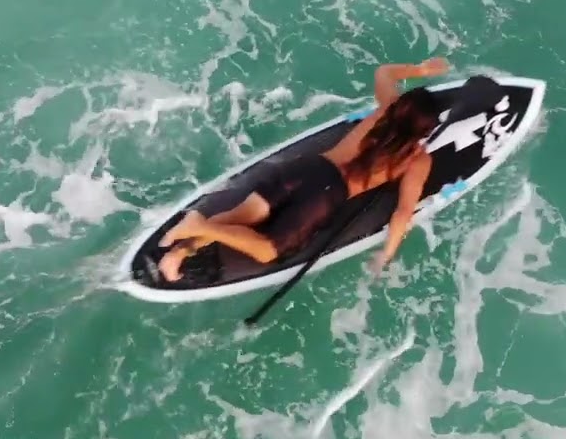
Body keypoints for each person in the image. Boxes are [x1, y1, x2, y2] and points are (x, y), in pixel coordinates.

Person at [157, 56, 450, 282]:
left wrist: (423, 70)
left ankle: (179, 251)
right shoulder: (416, 158)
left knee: (243, 215)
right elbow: (403, 212)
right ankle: (199, 226)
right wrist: (386, 255)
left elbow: (384, 72)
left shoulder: (387, 108)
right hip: (326, 195)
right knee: (269, 249)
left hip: (308, 167)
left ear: (403, 106)